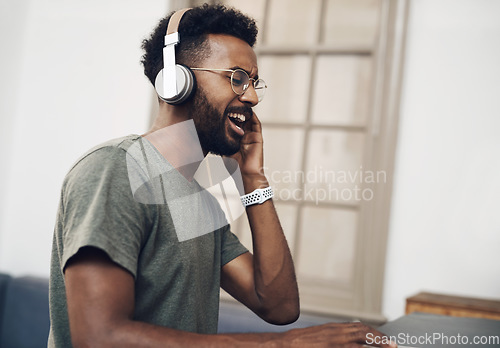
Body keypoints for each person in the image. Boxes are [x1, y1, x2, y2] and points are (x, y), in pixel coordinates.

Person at [48, 4, 397, 347]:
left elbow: (279, 305)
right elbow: (98, 336)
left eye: (255, 82)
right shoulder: (115, 170)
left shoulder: (200, 203)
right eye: (238, 78)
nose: (253, 97)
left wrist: (254, 177)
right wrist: (281, 345)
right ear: (176, 81)